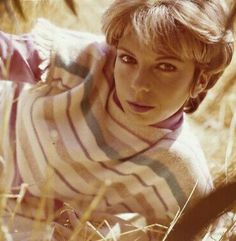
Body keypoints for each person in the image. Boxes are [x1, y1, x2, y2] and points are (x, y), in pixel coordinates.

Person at [0, 0, 234, 240]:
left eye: (165, 66)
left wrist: (117, 235)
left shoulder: (181, 166)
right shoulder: (86, 61)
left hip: (28, 221)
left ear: (201, 81)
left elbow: (196, 233)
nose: (138, 84)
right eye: (128, 59)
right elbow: (7, 53)